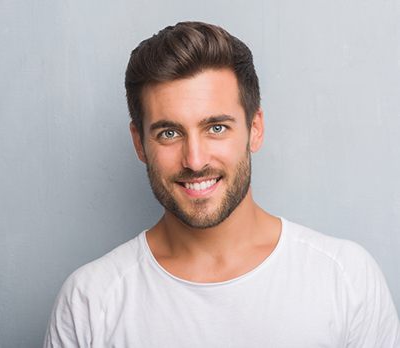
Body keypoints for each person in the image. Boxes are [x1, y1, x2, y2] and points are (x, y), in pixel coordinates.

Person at [43, 21, 400, 347]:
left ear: (254, 129)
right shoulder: (90, 302)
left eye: (216, 128)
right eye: (169, 133)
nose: (195, 160)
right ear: (139, 143)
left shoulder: (345, 279)